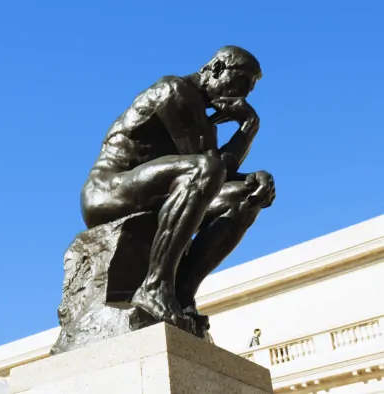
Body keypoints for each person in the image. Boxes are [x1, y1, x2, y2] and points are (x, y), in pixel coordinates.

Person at [81, 46, 276, 335]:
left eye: (247, 91)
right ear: (216, 69)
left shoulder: (203, 120)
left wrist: (250, 141)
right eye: (239, 85)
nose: (241, 97)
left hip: (157, 191)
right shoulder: (174, 90)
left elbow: (218, 172)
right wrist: (246, 129)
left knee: (245, 197)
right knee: (204, 169)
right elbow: (208, 167)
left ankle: (181, 296)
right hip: (108, 191)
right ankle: (155, 286)